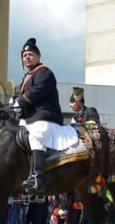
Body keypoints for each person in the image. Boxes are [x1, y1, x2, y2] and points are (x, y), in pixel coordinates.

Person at [11, 38, 77, 194]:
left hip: (44, 117)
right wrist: (14, 100)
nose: (27, 57)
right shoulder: (28, 76)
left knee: (36, 134)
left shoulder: (44, 72)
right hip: (30, 118)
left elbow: (39, 90)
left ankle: (38, 177)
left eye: (30, 54)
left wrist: (21, 100)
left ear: (38, 56)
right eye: (24, 55)